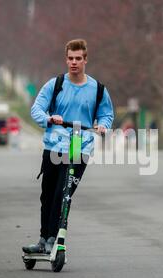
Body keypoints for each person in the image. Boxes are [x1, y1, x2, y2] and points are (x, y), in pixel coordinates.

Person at [23, 39, 114, 254]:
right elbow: (36, 109)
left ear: (85, 60)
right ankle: (43, 239)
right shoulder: (55, 85)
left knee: (63, 194)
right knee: (47, 194)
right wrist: (48, 118)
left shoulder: (98, 89)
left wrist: (102, 126)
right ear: (66, 59)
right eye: (71, 58)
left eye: (78, 59)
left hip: (78, 146)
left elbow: (107, 114)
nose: (74, 62)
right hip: (55, 145)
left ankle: (54, 239)